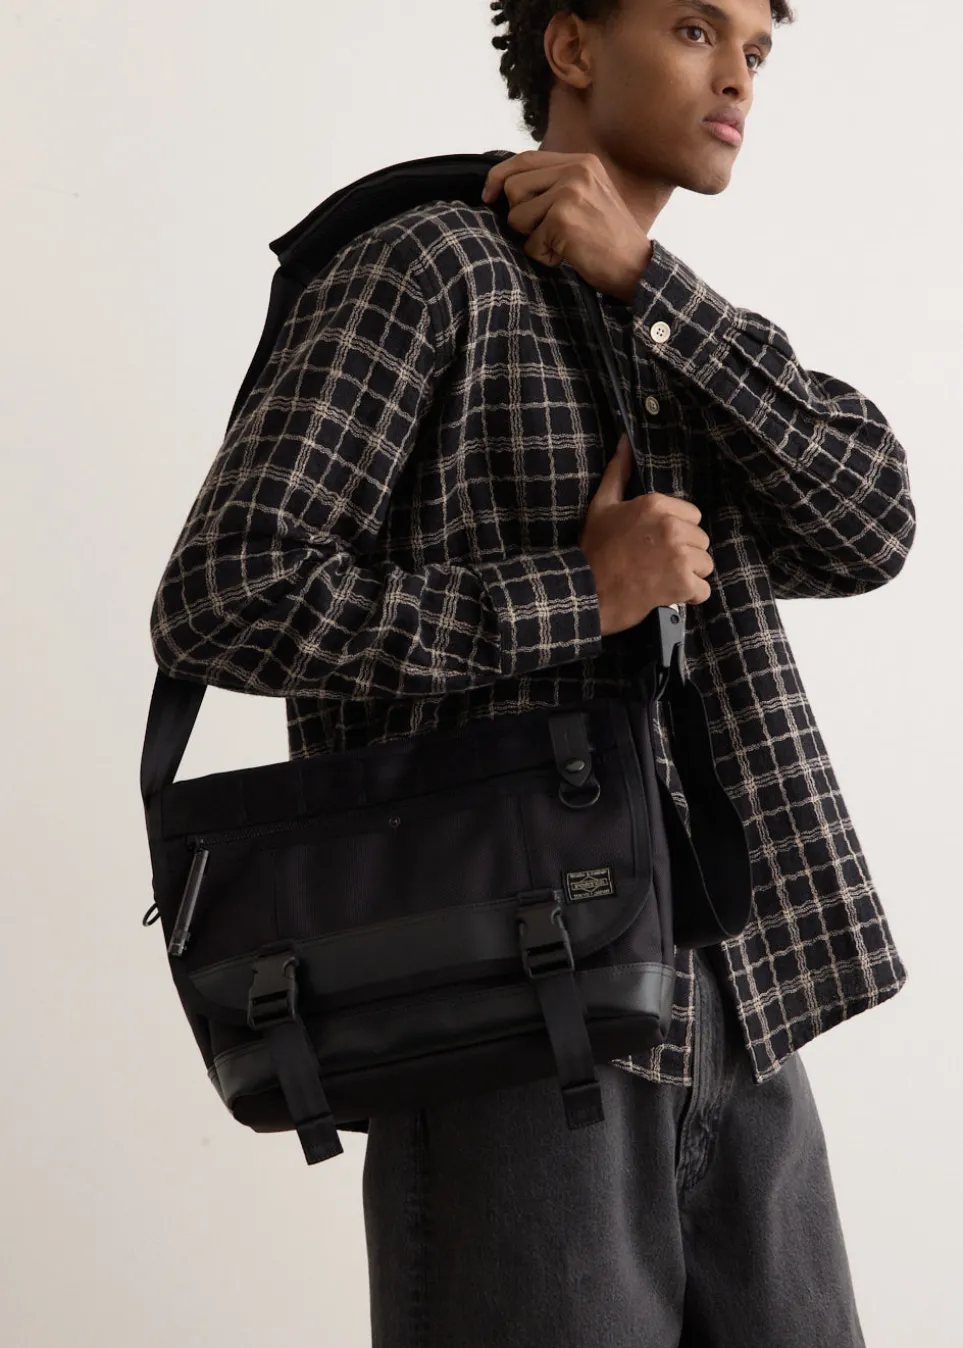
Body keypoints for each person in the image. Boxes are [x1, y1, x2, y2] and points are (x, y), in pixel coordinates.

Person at [149, 1, 916, 1343]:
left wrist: (651, 287)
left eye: (757, 48)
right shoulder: (425, 269)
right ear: (571, 48)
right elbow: (226, 595)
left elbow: (870, 523)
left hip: (740, 1005)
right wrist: (583, 594)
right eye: (694, 27)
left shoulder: (666, 325)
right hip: (511, 1019)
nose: (738, 77)